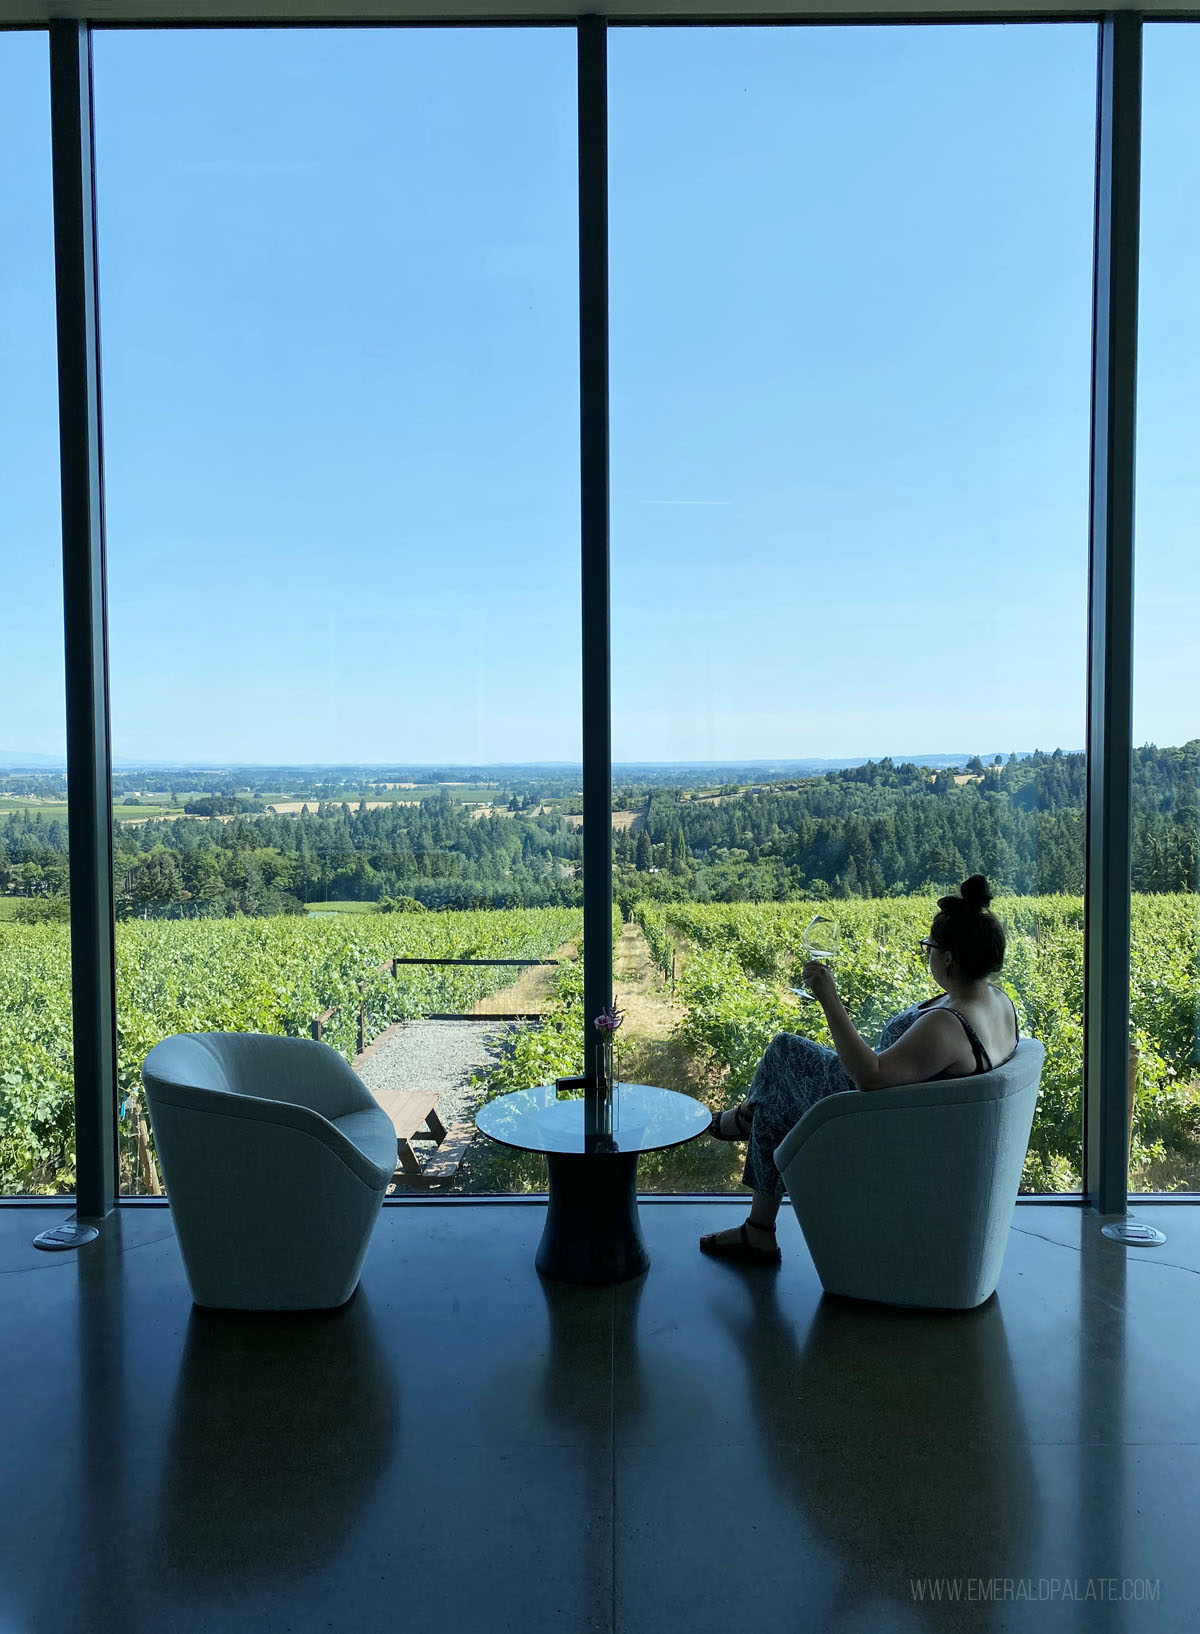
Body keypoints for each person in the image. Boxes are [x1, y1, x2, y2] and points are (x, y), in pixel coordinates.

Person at [699, 874, 1020, 1265]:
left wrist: (828, 997)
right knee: (775, 1099)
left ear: (949, 958)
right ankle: (757, 1223)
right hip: (907, 1118)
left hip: (871, 1121)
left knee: (783, 1053)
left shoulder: (949, 1025)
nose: (928, 955)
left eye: (930, 948)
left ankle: (743, 1123)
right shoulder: (997, 1002)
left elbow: (871, 1076)